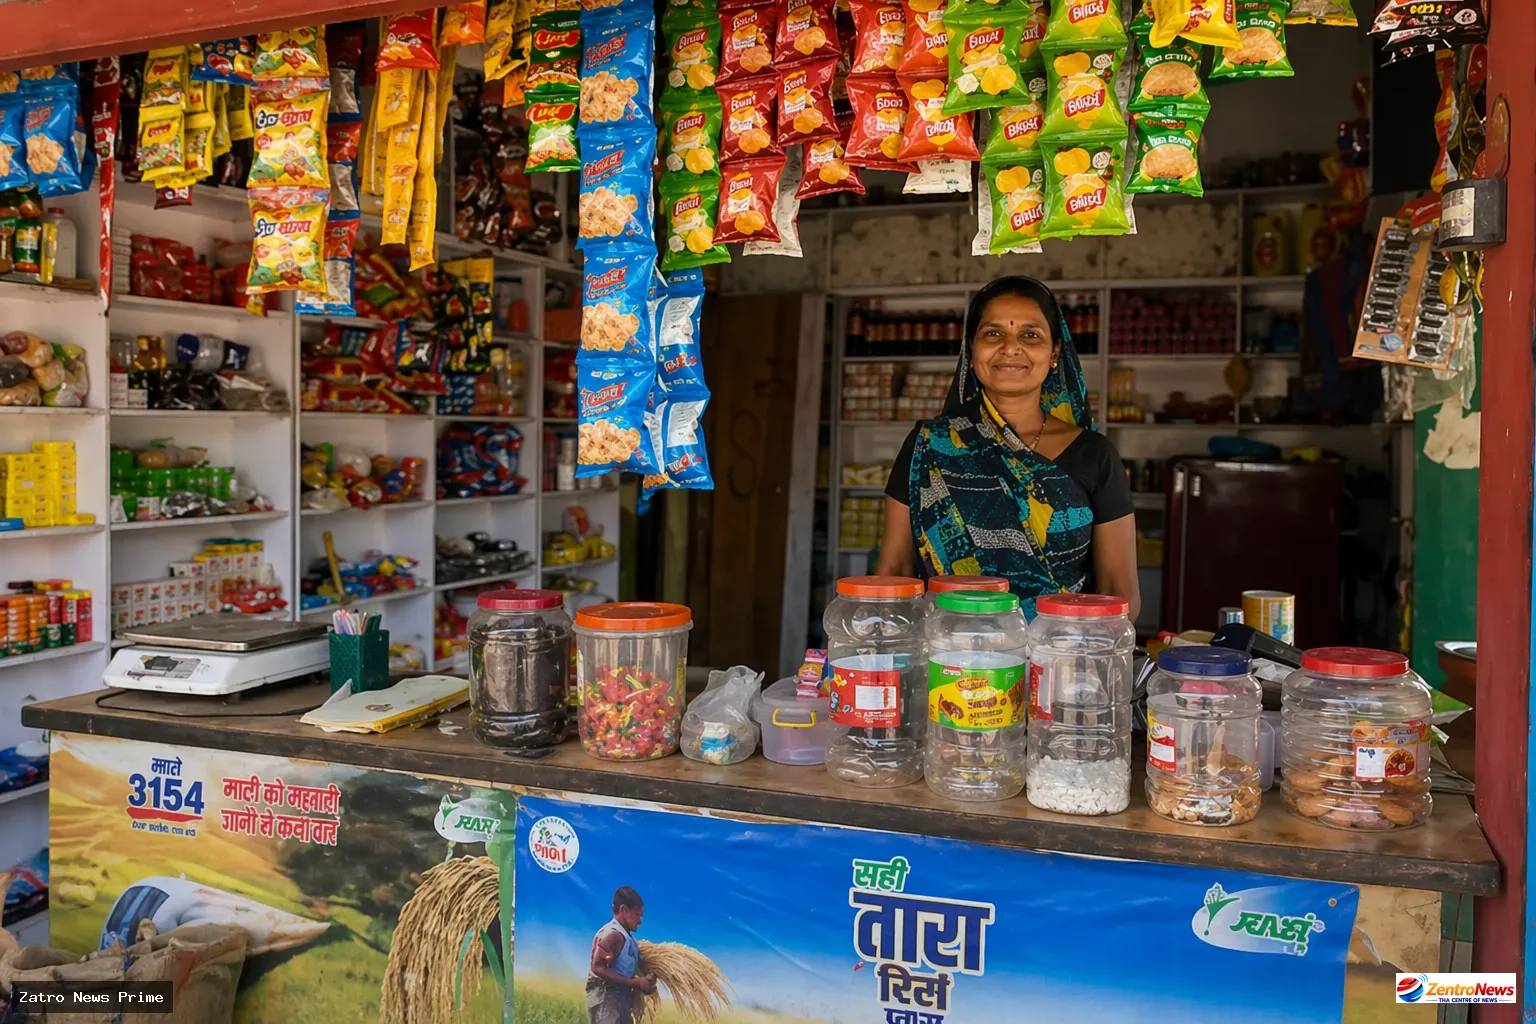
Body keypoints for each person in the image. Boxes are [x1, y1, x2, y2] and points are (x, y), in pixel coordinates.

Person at [876, 276, 1140, 620]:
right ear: (971, 352)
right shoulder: (929, 446)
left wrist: (1078, 660)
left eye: (1030, 335)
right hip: (950, 661)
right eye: (993, 333)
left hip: (1058, 660)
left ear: (1054, 353)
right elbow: (893, 569)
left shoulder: (1095, 455)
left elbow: (1119, 591)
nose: (1011, 347)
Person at [586, 886, 656, 1024]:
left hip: (619, 998)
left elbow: (619, 969)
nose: (640, 921)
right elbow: (598, 968)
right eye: (637, 915)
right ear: (624, 910)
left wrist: (643, 982)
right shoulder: (612, 935)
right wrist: (634, 983)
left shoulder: (627, 937)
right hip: (606, 999)